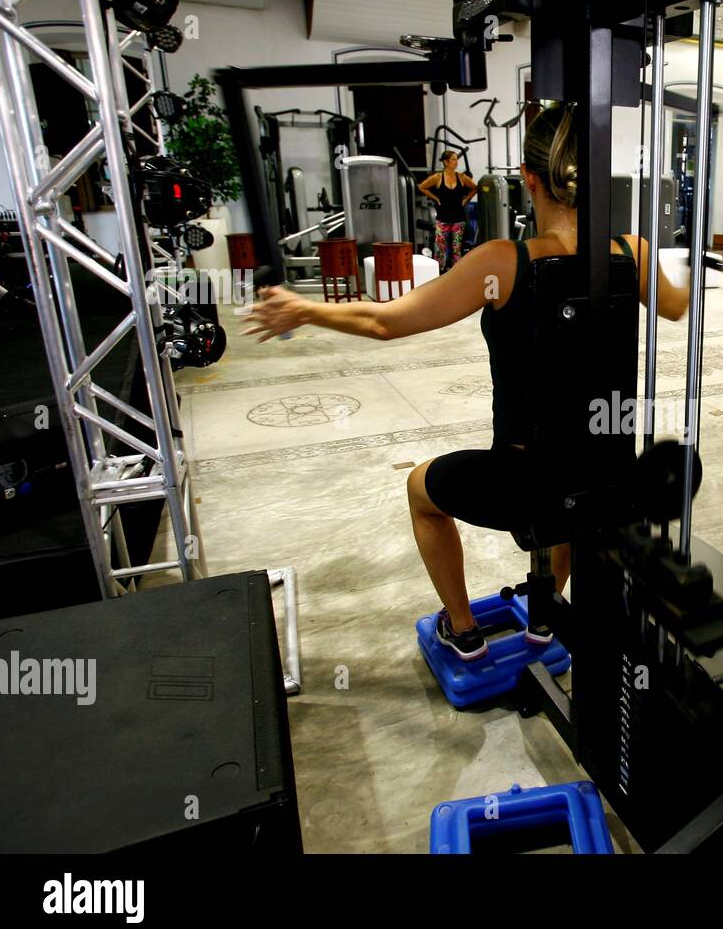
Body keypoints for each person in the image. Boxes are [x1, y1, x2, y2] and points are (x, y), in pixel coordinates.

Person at [245, 104, 690, 661]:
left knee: (419, 490)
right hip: (609, 473)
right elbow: (679, 304)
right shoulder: (632, 251)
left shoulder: (502, 263)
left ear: (528, 178)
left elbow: (386, 321)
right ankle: (546, 614)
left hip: (526, 483)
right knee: (576, 503)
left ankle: (464, 632)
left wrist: (306, 310)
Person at [418, 152, 477, 274]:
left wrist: (466, 200)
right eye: (453, 160)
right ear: (446, 162)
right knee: (439, 248)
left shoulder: (461, 177)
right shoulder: (438, 177)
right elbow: (422, 187)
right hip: (443, 218)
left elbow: (475, 188)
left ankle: (457, 273)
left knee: (456, 249)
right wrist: (435, 198)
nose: (456, 162)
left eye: (456, 160)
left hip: (458, 218)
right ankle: (438, 273)